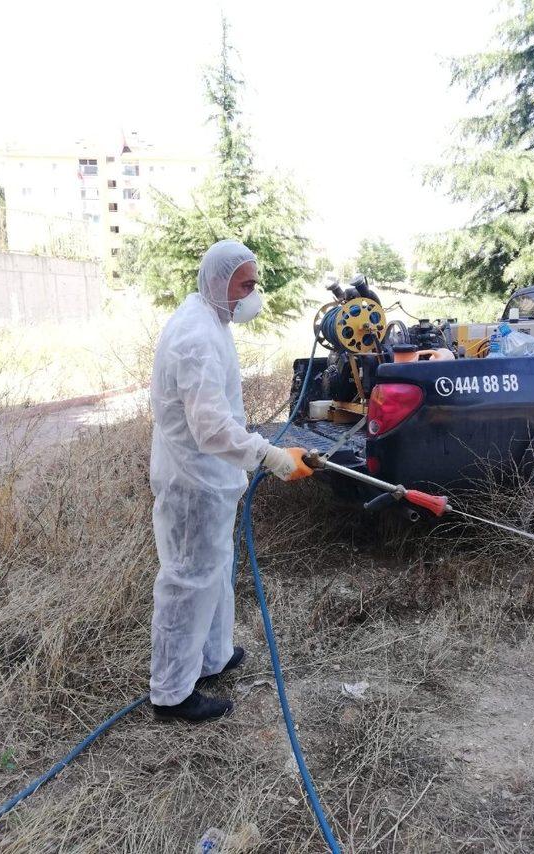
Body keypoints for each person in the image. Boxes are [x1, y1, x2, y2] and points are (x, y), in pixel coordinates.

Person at [149, 239, 313, 723]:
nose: (252, 295)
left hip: (211, 477)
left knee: (215, 569)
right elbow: (212, 428)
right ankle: (172, 692)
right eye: (245, 285)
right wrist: (272, 458)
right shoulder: (196, 337)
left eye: (253, 284)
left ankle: (211, 658)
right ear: (219, 282)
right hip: (192, 481)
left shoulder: (210, 320)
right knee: (188, 578)